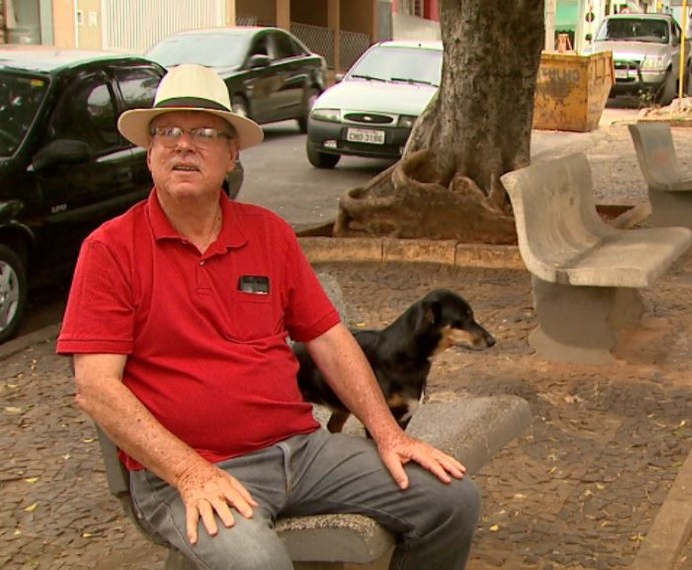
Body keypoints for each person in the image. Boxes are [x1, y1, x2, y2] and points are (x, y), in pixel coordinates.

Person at [56, 64, 480, 569]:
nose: (183, 145)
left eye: (204, 133)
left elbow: (329, 339)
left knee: (452, 500)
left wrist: (390, 433)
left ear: (232, 154)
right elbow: (97, 388)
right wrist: (191, 473)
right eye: (167, 131)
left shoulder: (268, 234)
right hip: (187, 470)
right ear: (150, 153)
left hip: (301, 451)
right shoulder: (110, 249)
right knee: (258, 563)